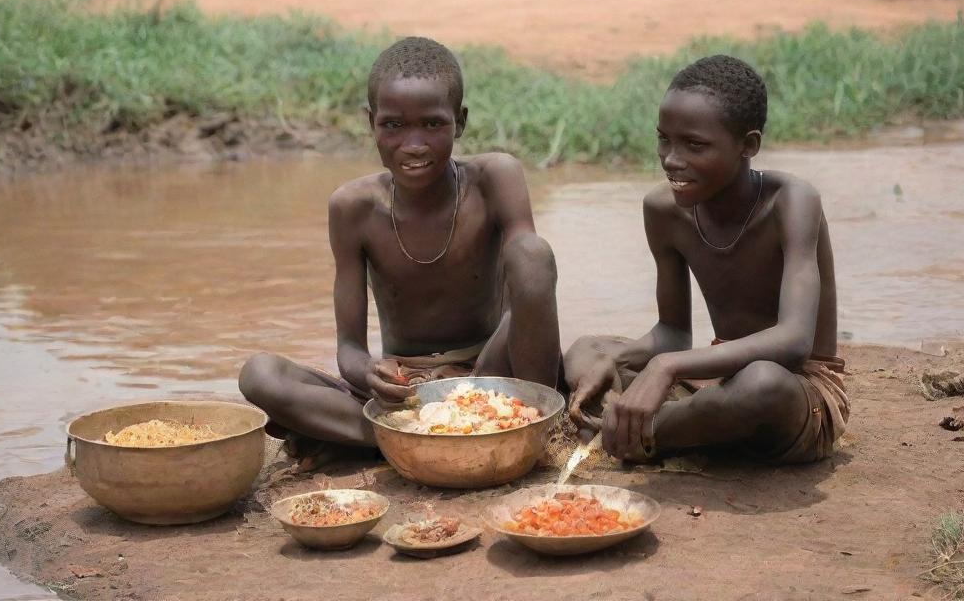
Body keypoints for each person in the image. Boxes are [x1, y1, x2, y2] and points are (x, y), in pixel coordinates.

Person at [239, 36, 561, 467]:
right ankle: (418, 432)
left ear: (459, 122)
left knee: (535, 256)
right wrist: (369, 373)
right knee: (260, 375)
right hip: (404, 389)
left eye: (432, 124)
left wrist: (474, 382)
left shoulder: (493, 178)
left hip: (489, 374)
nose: (413, 144)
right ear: (371, 122)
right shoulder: (352, 208)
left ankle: (533, 432)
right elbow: (350, 349)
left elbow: (530, 282)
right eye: (393, 125)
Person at [565, 55, 848, 464]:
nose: (672, 159)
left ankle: (638, 434)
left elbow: (794, 342)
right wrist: (617, 359)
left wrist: (665, 369)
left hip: (799, 389)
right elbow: (672, 332)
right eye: (664, 139)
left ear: (748, 145)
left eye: (695, 145)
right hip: (716, 379)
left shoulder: (792, 201)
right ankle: (650, 423)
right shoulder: (663, 210)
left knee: (761, 384)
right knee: (585, 350)